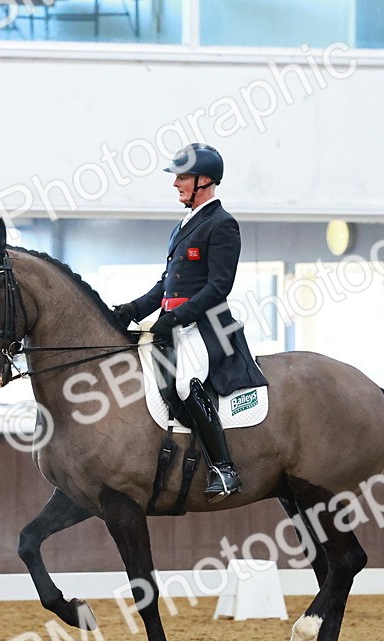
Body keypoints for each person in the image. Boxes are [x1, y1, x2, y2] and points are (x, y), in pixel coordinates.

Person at [113, 143, 266, 502]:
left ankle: (225, 470)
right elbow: (165, 284)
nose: (176, 184)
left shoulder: (222, 224)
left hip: (204, 325)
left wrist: (176, 318)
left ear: (205, 181)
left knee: (186, 385)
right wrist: (132, 310)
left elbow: (218, 287)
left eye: (182, 177)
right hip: (174, 325)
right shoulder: (184, 225)